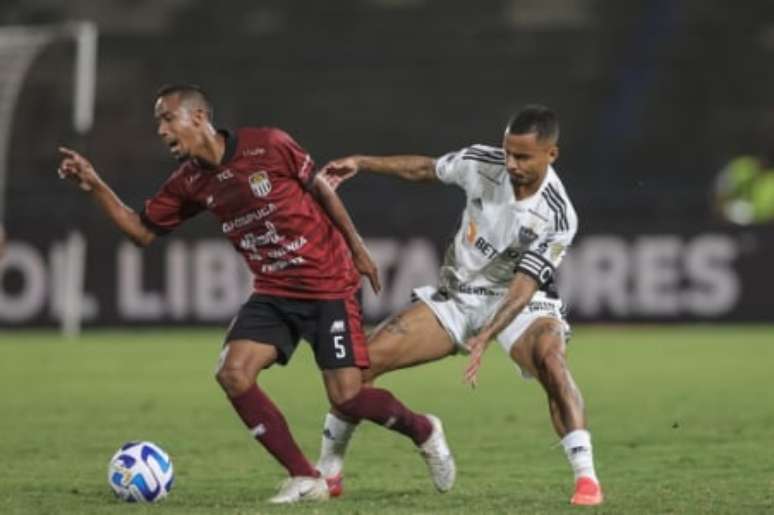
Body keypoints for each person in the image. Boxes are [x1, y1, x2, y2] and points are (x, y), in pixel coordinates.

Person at [56, 84, 455, 504]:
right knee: (232, 372)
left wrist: (356, 247)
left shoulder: (268, 145)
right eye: (158, 121)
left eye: (166, 118)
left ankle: (424, 430)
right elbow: (140, 232)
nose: (160, 129)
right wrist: (95, 184)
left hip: (328, 285)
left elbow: (320, 187)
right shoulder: (188, 182)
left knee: (348, 397)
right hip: (273, 291)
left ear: (197, 117)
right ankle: (305, 477)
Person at [316, 105, 603, 506]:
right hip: (458, 297)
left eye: (522, 156)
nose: (511, 163)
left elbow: (523, 286)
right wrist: (362, 163)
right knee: (358, 368)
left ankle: (586, 478)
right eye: (508, 152)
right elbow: (425, 169)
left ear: (550, 154)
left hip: (523, 303)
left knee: (551, 359)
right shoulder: (480, 163)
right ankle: (328, 472)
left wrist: (487, 335)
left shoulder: (557, 215)